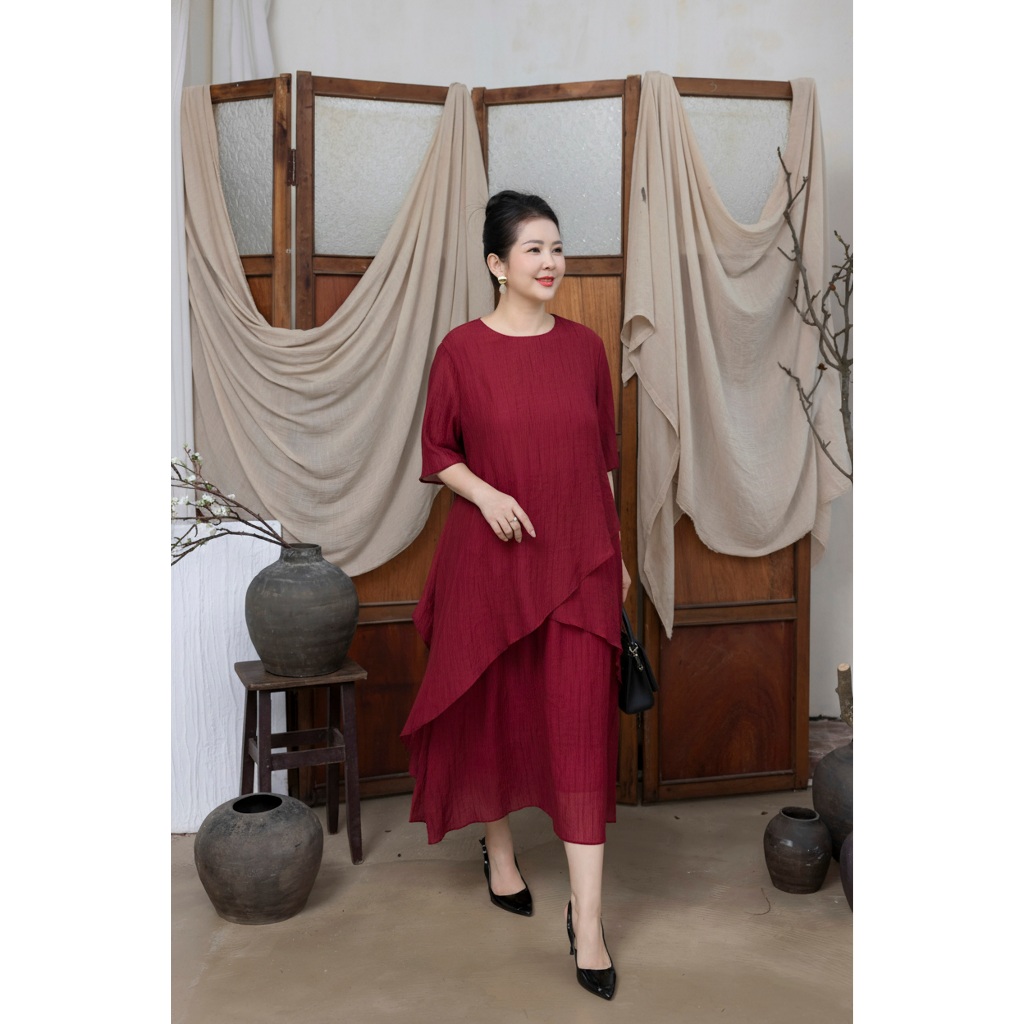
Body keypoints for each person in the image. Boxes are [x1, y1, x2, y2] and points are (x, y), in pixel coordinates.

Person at [400, 190, 630, 1001]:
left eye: (557, 247)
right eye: (533, 249)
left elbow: (603, 463)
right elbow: (438, 450)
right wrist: (485, 493)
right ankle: (498, 852)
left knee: (580, 733)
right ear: (497, 264)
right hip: (488, 566)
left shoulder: (586, 350)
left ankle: (588, 924)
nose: (551, 262)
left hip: (578, 563)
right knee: (491, 713)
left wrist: (616, 554)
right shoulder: (461, 351)